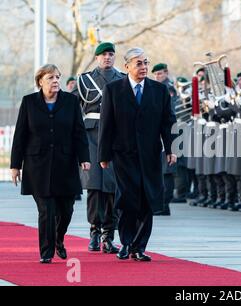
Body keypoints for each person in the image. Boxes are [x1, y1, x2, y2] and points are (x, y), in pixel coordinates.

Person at [98, 48, 177, 261]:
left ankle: (139, 247)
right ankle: (126, 243)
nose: (143, 67)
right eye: (138, 63)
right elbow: (106, 124)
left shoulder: (159, 91)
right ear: (127, 67)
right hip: (123, 155)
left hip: (150, 155)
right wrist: (103, 155)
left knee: (147, 199)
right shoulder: (113, 89)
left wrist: (171, 149)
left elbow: (168, 122)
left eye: (145, 63)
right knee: (127, 199)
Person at [10, 64, 90, 263]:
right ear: (40, 81)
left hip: (65, 164)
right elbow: (20, 135)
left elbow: (79, 132)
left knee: (66, 209)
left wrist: (85, 158)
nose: (55, 81)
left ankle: (58, 239)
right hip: (37, 165)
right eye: (50, 77)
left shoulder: (71, 101)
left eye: (57, 77)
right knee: (46, 210)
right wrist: (15, 165)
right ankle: (46, 253)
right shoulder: (29, 102)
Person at [73, 42, 124, 253]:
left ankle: (109, 235)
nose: (107, 58)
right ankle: (94, 231)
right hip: (92, 135)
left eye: (111, 54)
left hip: (115, 136)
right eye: (103, 55)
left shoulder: (122, 79)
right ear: (96, 58)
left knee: (112, 187)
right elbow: (74, 108)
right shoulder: (85, 80)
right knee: (94, 187)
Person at [152, 62, 178, 215]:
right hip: (158, 131)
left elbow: (170, 112)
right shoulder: (157, 89)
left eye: (160, 74)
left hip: (167, 131)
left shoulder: (168, 89)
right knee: (161, 169)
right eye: (155, 74)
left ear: (166, 73)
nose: (157, 76)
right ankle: (160, 203)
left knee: (167, 170)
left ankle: (164, 204)